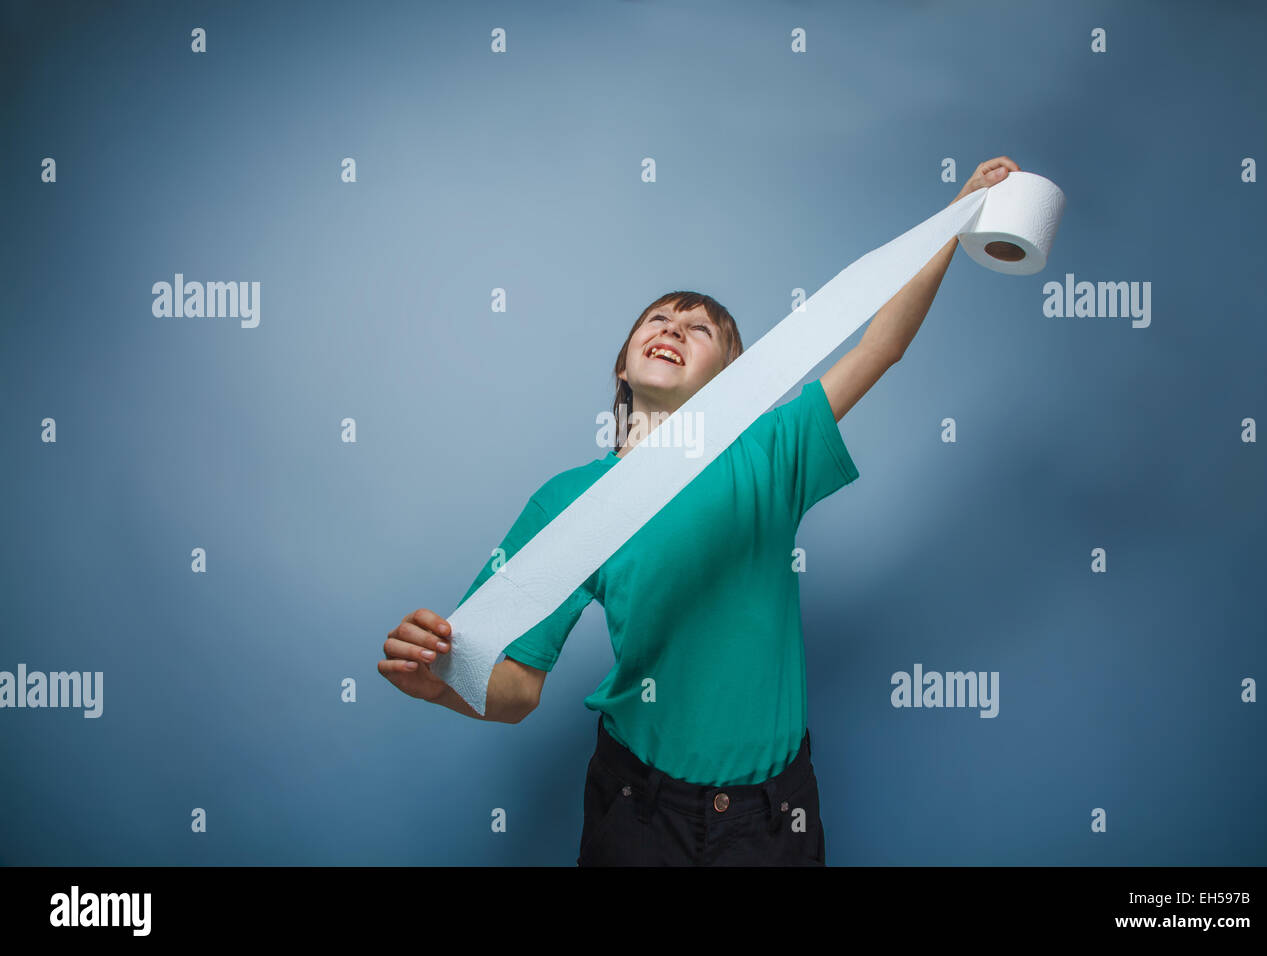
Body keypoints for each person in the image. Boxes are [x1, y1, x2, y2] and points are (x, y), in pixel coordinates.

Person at [380, 157, 1022, 865]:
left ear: (731, 377)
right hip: (637, 811)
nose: (675, 328)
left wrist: (955, 219)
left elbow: (883, 343)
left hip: (773, 816)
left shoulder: (773, 454)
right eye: (659, 319)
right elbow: (517, 686)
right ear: (624, 365)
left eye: (700, 330)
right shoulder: (565, 503)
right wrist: (439, 684)